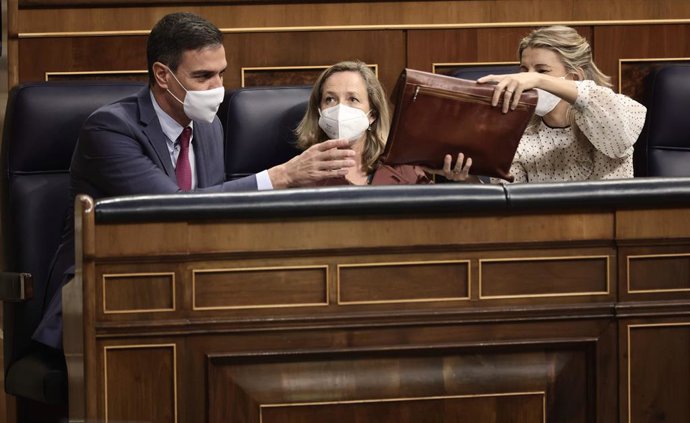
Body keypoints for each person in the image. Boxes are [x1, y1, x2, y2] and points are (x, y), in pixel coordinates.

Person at [31, 13, 365, 350]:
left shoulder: (208, 128)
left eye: (221, 73)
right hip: (107, 296)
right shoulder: (110, 129)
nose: (217, 88)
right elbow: (168, 209)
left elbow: (211, 222)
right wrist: (283, 176)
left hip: (185, 290)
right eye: (203, 76)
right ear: (162, 75)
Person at [473, 25, 647, 183]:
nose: (527, 80)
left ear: (575, 77)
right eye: (524, 71)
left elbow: (618, 135)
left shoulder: (607, 110)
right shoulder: (519, 135)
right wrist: (467, 180)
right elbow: (509, 202)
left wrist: (539, 80)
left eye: (542, 70)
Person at [295, 60, 473, 185]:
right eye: (330, 99)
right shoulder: (303, 171)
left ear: (372, 115)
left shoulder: (404, 171)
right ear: (319, 112)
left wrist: (463, 179)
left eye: (353, 99)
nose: (341, 108)